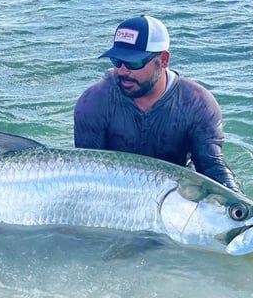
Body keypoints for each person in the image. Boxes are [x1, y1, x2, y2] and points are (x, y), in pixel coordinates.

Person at [74, 15, 241, 193]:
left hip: (170, 195)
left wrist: (244, 207)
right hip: (113, 194)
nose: (122, 70)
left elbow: (212, 167)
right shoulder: (93, 102)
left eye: (134, 62)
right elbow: (89, 173)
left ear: (163, 60)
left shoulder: (197, 103)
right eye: (117, 61)